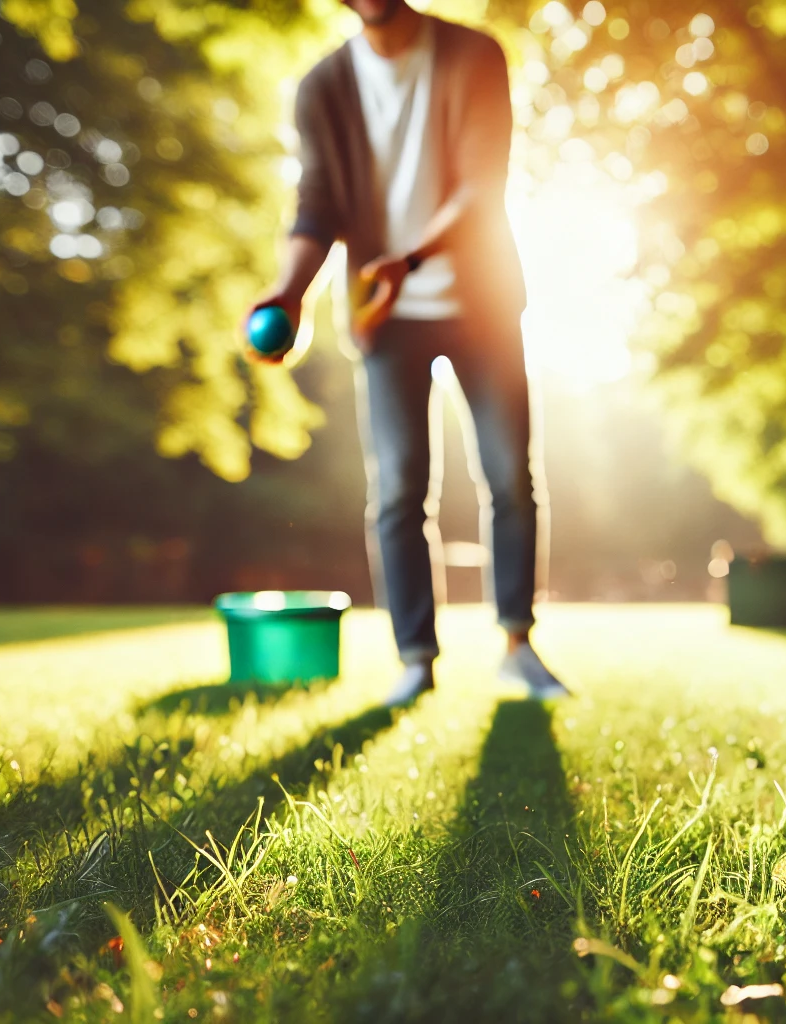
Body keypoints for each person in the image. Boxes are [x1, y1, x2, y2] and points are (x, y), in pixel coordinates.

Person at [250, 0, 567, 704]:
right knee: (397, 490)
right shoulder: (323, 86)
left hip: (481, 303)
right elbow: (316, 207)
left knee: (510, 476)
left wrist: (408, 259)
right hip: (384, 321)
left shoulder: (473, 54)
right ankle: (417, 661)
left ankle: (518, 646)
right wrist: (288, 291)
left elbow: (482, 187)